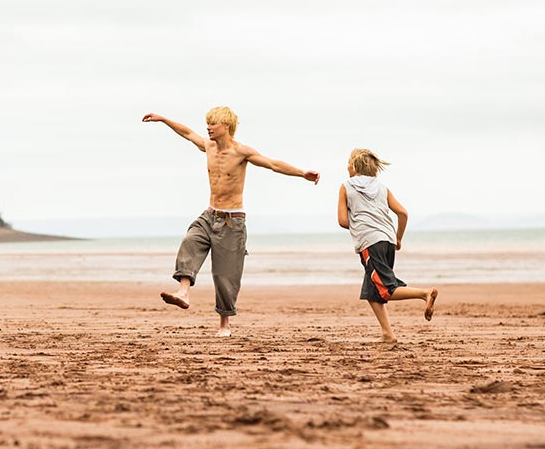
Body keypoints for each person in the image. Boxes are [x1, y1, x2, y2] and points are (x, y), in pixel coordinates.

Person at [143, 107, 319, 337]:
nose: (208, 127)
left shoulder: (241, 152)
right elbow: (187, 133)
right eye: (207, 123)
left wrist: (302, 173)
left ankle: (224, 325)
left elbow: (273, 164)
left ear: (226, 126)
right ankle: (183, 292)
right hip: (209, 214)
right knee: (190, 241)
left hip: (232, 221)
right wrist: (164, 119)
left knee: (225, 275)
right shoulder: (208, 146)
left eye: (213, 123)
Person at [336, 148, 437, 343]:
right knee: (371, 291)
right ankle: (387, 334)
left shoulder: (346, 186)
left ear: (355, 167)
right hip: (388, 240)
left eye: (348, 163)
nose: (347, 166)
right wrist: (398, 238)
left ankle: (425, 293)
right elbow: (403, 213)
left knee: (385, 290)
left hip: (369, 241)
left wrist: (359, 223)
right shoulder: (382, 188)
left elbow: (342, 220)